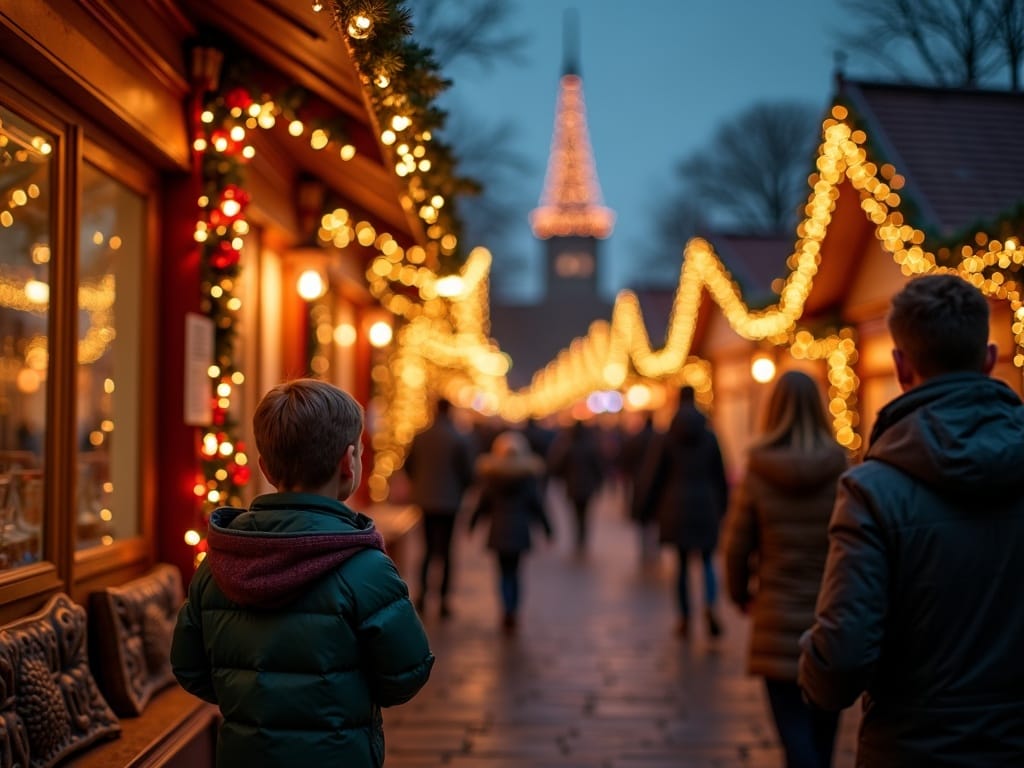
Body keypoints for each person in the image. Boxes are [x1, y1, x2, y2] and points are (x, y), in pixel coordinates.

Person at [798, 274, 1024, 766]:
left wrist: (810, 659)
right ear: (988, 360)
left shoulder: (873, 490)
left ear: (901, 368)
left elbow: (842, 661)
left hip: (910, 748)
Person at [171, 378, 434, 768]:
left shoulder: (219, 563)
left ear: (263, 466)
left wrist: (253, 698)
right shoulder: (365, 568)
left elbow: (190, 667)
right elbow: (407, 672)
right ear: (349, 463)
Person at [722, 370, 847, 768]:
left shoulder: (757, 472)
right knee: (823, 737)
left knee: (794, 738)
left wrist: (741, 595)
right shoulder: (843, 469)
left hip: (776, 618)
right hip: (831, 617)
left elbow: (736, 548)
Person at [637, 385, 729, 638]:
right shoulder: (710, 436)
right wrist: (723, 507)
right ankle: (710, 605)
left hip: (675, 506)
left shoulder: (667, 436)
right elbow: (720, 475)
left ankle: (685, 618)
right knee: (708, 561)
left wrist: (645, 508)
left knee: (682, 565)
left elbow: (655, 475)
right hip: (706, 505)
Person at [468, 430, 553, 633]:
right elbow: (537, 506)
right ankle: (513, 609)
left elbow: (482, 505)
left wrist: (471, 525)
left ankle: (505, 607)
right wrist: (548, 529)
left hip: (498, 531)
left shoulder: (492, 477)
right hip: (520, 531)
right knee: (516, 573)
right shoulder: (528, 477)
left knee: (503, 573)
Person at [403, 397, 474, 618]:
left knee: (426, 548)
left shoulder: (421, 436)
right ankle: (443, 600)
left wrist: (421, 484)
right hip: (450, 501)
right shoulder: (458, 437)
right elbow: (467, 473)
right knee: (446, 550)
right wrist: (459, 490)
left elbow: (408, 466)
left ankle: (422, 595)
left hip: (425, 499)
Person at [547, 419, 604, 554]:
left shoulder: (569, 447)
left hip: (573, 486)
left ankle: (578, 537)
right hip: (588, 487)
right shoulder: (591, 446)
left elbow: (558, 466)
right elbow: (598, 467)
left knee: (575, 514)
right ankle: (582, 537)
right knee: (585, 513)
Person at [620, 411, 658, 565]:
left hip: (639, 480)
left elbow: (626, 457)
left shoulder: (637, 438)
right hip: (655, 482)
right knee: (654, 516)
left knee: (643, 516)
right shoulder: (658, 438)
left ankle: (644, 549)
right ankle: (654, 549)